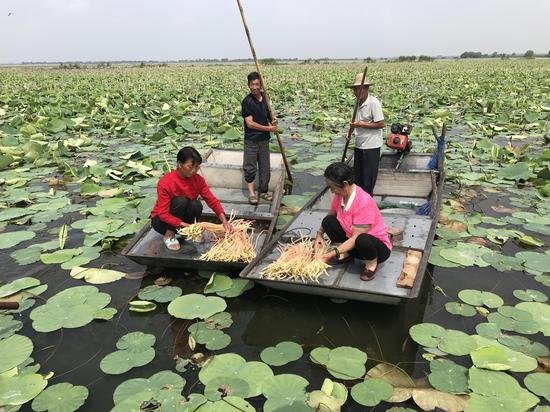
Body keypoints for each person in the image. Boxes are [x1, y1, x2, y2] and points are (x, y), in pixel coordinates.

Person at [315, 162, 391, 281]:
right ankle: (347, 254)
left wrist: (328, 255)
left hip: (373, 248)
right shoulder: (340, 195)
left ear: (345, 184)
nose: (331, 191)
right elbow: (331, 214)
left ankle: (371, 264)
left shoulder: (363, 202)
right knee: (328, 221)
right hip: (352, 243)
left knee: (362, 239)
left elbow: (356, 239)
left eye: (331, 187)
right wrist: (319, 234)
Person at [150, 147, 232, 251]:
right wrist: (184, 225)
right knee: (181, 201)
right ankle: (169, 235)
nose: (193, 171)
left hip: (183, 222)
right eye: (190, 167)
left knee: (196, 204)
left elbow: (212, 201)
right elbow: (163, 214)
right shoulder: (165, 182)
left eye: (196, 167)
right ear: (180, 163)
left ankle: (186, 234)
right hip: (162, 222)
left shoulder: (198, 180)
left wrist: (224, 221)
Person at [241, 71, 278, 205]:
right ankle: (251, 193)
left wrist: (273, 119)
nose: (255, 87)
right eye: (252, 84)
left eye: (257, 84)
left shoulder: (265, 98)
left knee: (265, 167)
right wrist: (269, 128)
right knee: (250, 167)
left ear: (261, 85)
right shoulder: (247, 101)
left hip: (264, 140)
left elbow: (269, 115)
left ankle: (263, 191)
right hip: (251, 140)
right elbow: (250, 123)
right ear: (248, 85)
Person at [348, 72, 385, 196]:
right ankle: (359, 203)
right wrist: (350, 132)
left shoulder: (373, 103)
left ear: (366, 88)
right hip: (359, 146)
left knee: (368, 181)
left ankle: (368, 206)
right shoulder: (356, 103)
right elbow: (354, 122)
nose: (357, 92)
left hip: (371, 147)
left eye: (359, 89)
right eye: (355, 89)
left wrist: (359, 124)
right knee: (358, 179)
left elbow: (380, 124)